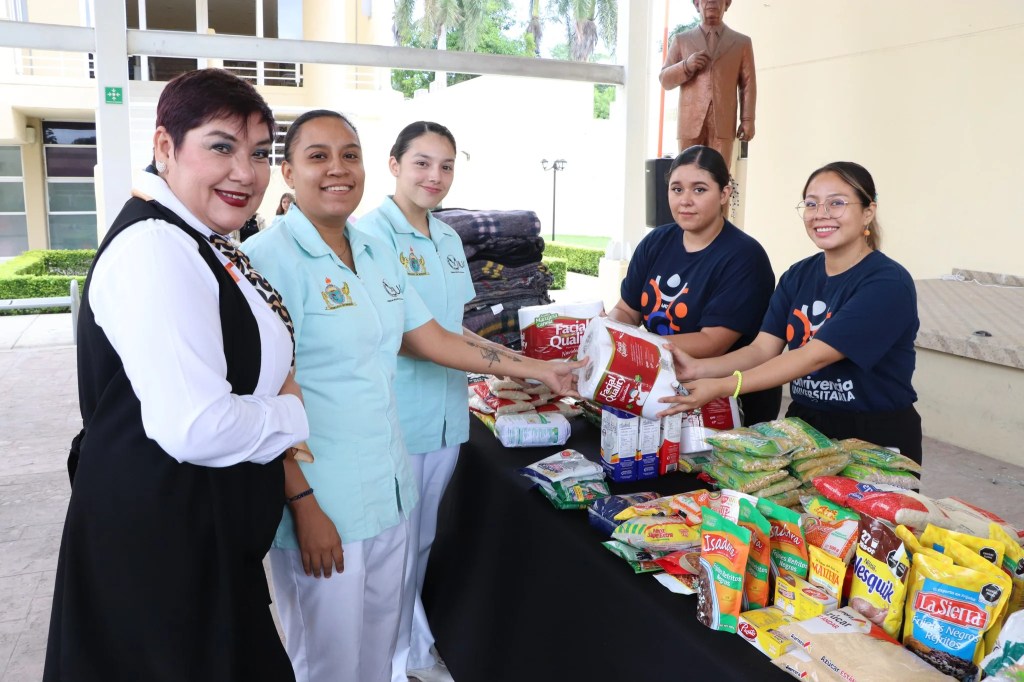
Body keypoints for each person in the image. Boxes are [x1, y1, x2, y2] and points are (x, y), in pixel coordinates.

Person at [241, 109, 583, 682]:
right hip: (325, 501)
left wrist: (538, 369)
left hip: (389, 488)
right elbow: (267, 396)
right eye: (317, 156)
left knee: (377, 648)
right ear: (287, 171)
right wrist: (302, 504)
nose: (337, 169)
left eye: (349, 155)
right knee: (325, 660)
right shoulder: (267, 261)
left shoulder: (373, 254)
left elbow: (430, 336)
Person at [44, 69, 309, 681]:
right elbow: (197, 426)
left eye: (260, 152)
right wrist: (291, 413)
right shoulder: (156, 248)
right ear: (166, 147)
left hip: (198, 533)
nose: (246, 171)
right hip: (165, 541)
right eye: (221, 146)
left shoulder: (200, 237)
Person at [660, 161, 922, 462]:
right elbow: (761, 349)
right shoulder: (798, 275)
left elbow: (815, 355)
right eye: (812, 204)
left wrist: (722, 386)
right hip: (805, 427)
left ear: (868, 211)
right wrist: (698, 369)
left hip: (873, 436)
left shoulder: (887, 282)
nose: (821, 214)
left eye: (837, 203)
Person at [357, 121, 474, 682]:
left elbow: (456, 330)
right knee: (391, 551)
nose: (435, 176)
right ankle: (398, 657)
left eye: (447, 165)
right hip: (398, 418)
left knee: (421, 541)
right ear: (394, 164)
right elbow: (416, 338)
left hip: (449, 416)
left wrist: (523, 368)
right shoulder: (369, 237)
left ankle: (407, 647)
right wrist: (532, 368)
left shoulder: (448, 238)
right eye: (422, 162)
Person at [608, 145, 779, 425]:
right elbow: (627, 310)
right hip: (664, 385)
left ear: (724, 194)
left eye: (699, 189)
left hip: (728, 401)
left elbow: (711, 342)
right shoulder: (656, 242)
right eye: (677, 189)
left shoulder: (744, 256)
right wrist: (609, 332)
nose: (685, 200)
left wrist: (631, 345)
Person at [660, 0, 756, 169]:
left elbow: (748, 83)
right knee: (687, 174)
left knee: (719, 176)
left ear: (727, 4)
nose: (711, 2)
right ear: (697, 4)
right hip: (689, 123)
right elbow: (665, 80)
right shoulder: (682, 40)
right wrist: (686, 65)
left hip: (723, 123)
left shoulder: (742, 43)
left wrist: (748, 119)